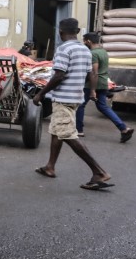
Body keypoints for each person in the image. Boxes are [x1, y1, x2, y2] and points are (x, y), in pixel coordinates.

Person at [33, 18, 112, 190]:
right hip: (75, 98)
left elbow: (59, 75)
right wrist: (91, 91)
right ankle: (50, 167)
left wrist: (40, 93)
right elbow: (91, 74)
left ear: (60, 32)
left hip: (63, 98)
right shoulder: (85, 49)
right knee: (57, 131)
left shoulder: (63, 49)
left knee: (68, 134)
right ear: (77, 32)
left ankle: (98, 172)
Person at [77, 33, 133, 143]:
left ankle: (78, 130)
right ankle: (124, 128)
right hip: (103, 83)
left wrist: (92, 90)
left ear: (88, 41)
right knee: (103, 107)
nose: (84, 43)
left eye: (84, 41)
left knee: (80, 105)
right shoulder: (103, 52)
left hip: (93, 84)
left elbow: (94, 72)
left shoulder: (93, 53)